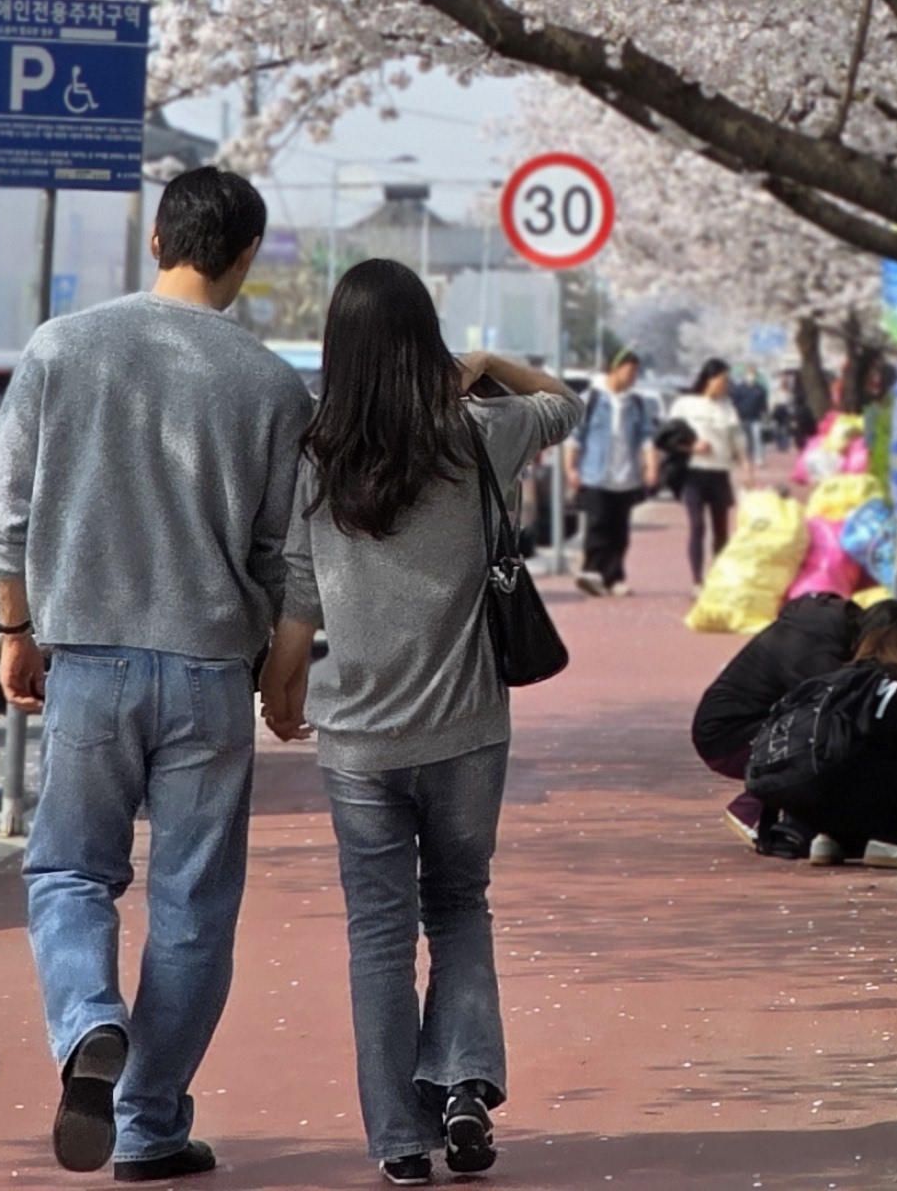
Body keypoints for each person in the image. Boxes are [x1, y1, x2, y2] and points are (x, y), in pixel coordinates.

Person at [0, 165, 315, 1182]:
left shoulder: (61, 347)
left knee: (73, 870)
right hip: (212, 672)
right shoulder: (269, 382)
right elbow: (288, 554)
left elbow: (8, 514)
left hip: (87, 658)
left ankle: (88, 1021)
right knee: (193, 906)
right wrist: (287, 668)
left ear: (158, 239)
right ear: (246, 258)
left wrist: (15, 629)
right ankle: (149, 1124)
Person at [260, 263, 582, 1186]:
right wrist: (489, 362)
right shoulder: (483, 433)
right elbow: (567, 402)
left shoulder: (318, 455)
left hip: (359, 736)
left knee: (378, 931)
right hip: (469, 727)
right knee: (459, 902)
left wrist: (284, 689)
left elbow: (298, 587)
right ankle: (466, 1085)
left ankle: (400, 1140)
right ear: (427, 340)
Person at [754, 604, 897, 868]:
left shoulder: (837, 678)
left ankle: (828, 840)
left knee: (851, 770)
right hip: (875, 792)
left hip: (818, 795)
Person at [691, 587, 865, 856]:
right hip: (727, 736)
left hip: (726, 726)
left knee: (822, 733)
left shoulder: (810, 629)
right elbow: (838, 705)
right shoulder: (810, 656)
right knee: (827, 740)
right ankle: (752, 810)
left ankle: (787, 814)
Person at [573, 352, 659, 597]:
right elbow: (575, 438)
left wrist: (651, 466)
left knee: (619, 530)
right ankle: (592, 572)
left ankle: (613, 577)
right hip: (595, 473)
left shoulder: (637, 404)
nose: (633, 377)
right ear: (615, 368)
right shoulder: (592, 399)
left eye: (636, 373)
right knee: (597, 525)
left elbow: (646, 438)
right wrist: (571, 468)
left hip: (626, 475)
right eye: (630, 371)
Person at [665, 358, 744, 583]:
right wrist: (692, 447)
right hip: (693, 473)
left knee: (721, 529)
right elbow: (668, 436)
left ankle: (719, 578)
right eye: (723, 379)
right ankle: (697, 580)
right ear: (710, 379)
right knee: (697, 526)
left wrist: (745, 466)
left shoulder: (727, 407)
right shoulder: (685, 404)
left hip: (719, 473)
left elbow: (737, 439)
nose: (726, 385)